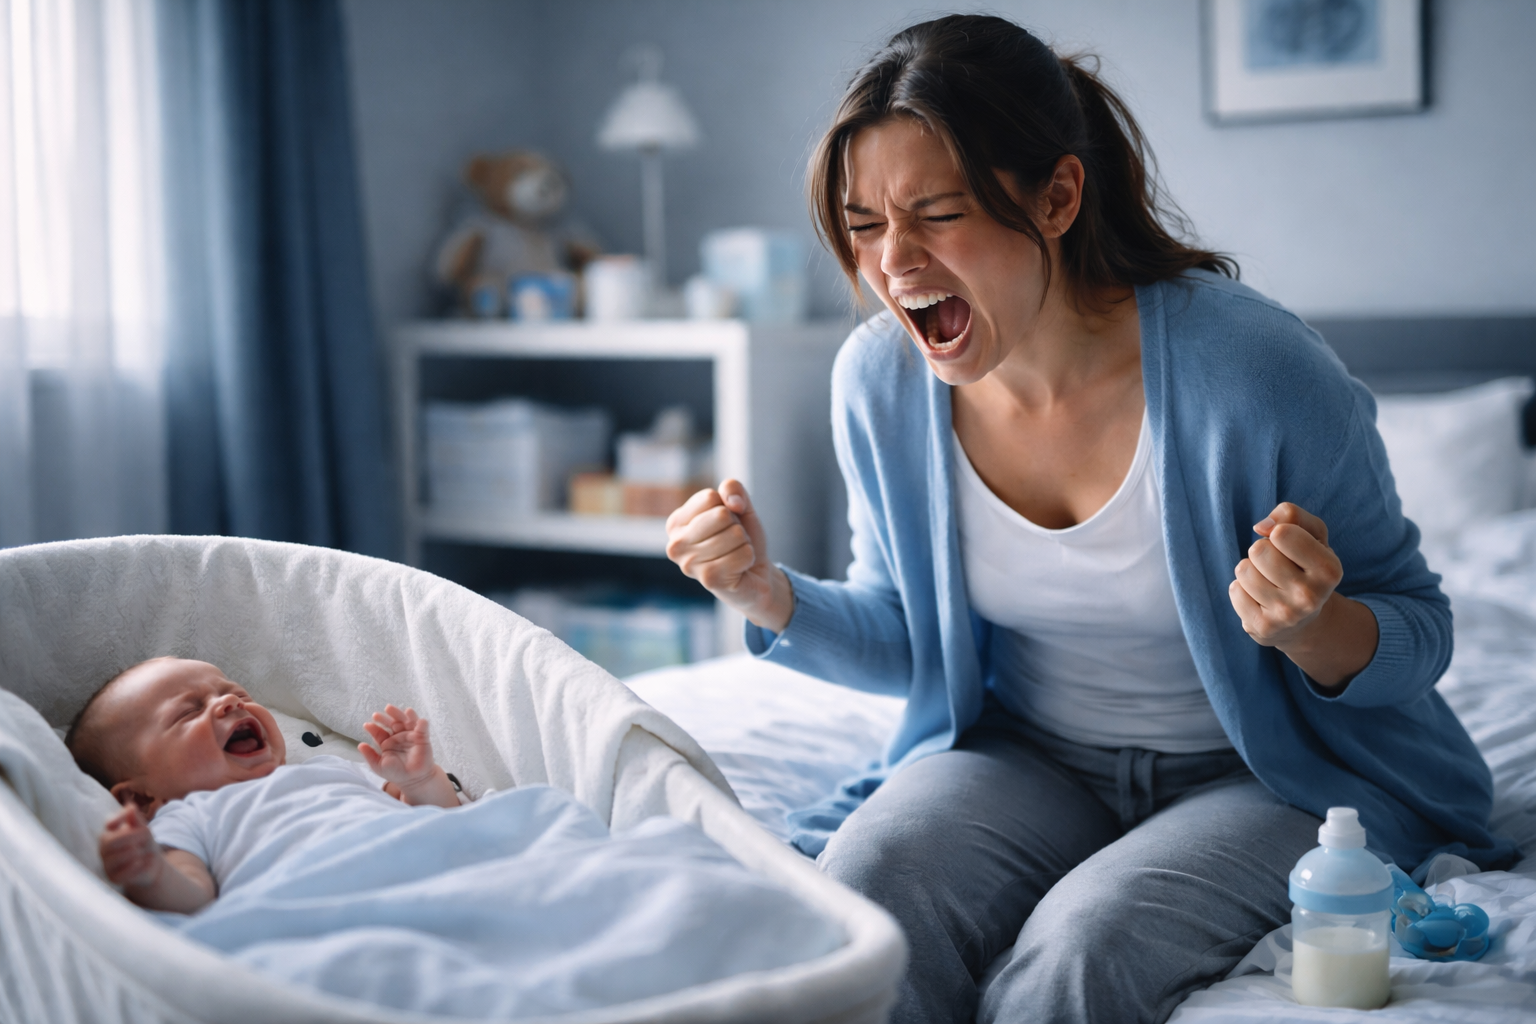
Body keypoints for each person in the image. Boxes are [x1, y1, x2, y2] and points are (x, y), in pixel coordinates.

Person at [663, 14, 1515, 1024]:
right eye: (863, 224)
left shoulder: (1255, 372)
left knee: (1081, 945)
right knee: (862, 905)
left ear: (1059, 196)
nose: (893, 263)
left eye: (937, 214)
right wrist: (767, 594)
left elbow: (1421, 632)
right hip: (1031, 756)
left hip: (1264, 775)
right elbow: (910, 641)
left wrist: (1313, 628)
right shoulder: (879, 382)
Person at [66, 656, 459, 913]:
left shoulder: (334, 769)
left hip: (429, 876)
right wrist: (150, 873)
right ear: (140, 796)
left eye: (236, 693)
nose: (229, 704)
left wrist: (420, 779)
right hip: (330, 906)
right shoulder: (188, 817)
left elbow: (441, 819)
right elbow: (193, 899)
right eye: (188, 712)